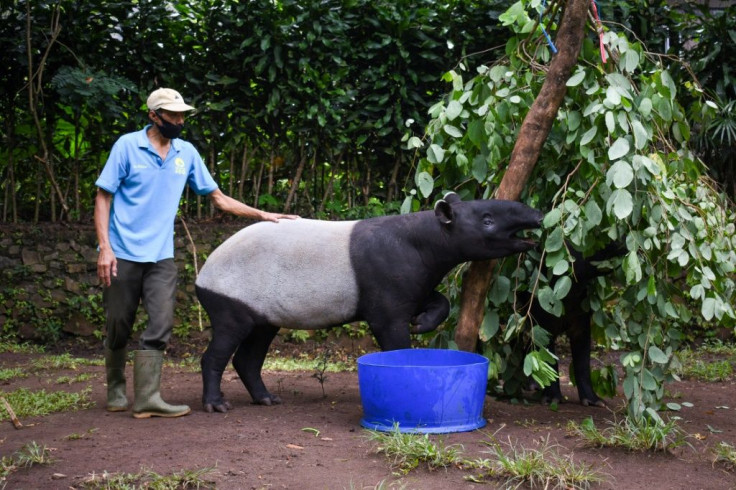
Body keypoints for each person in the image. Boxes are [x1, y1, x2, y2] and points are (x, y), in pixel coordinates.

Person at [94, 87, 298, 419]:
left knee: (160, 324)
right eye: (172, 115)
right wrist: (105, 248)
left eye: (181, 115)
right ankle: (116, 386)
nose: (178, 121)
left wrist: (264, 215)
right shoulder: (127, 147)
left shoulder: (185, 153)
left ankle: (147, 399)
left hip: (160, 256)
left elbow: (218, 198)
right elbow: (103, 197)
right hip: (121, 252)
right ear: (153, 116)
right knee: (119, 323)